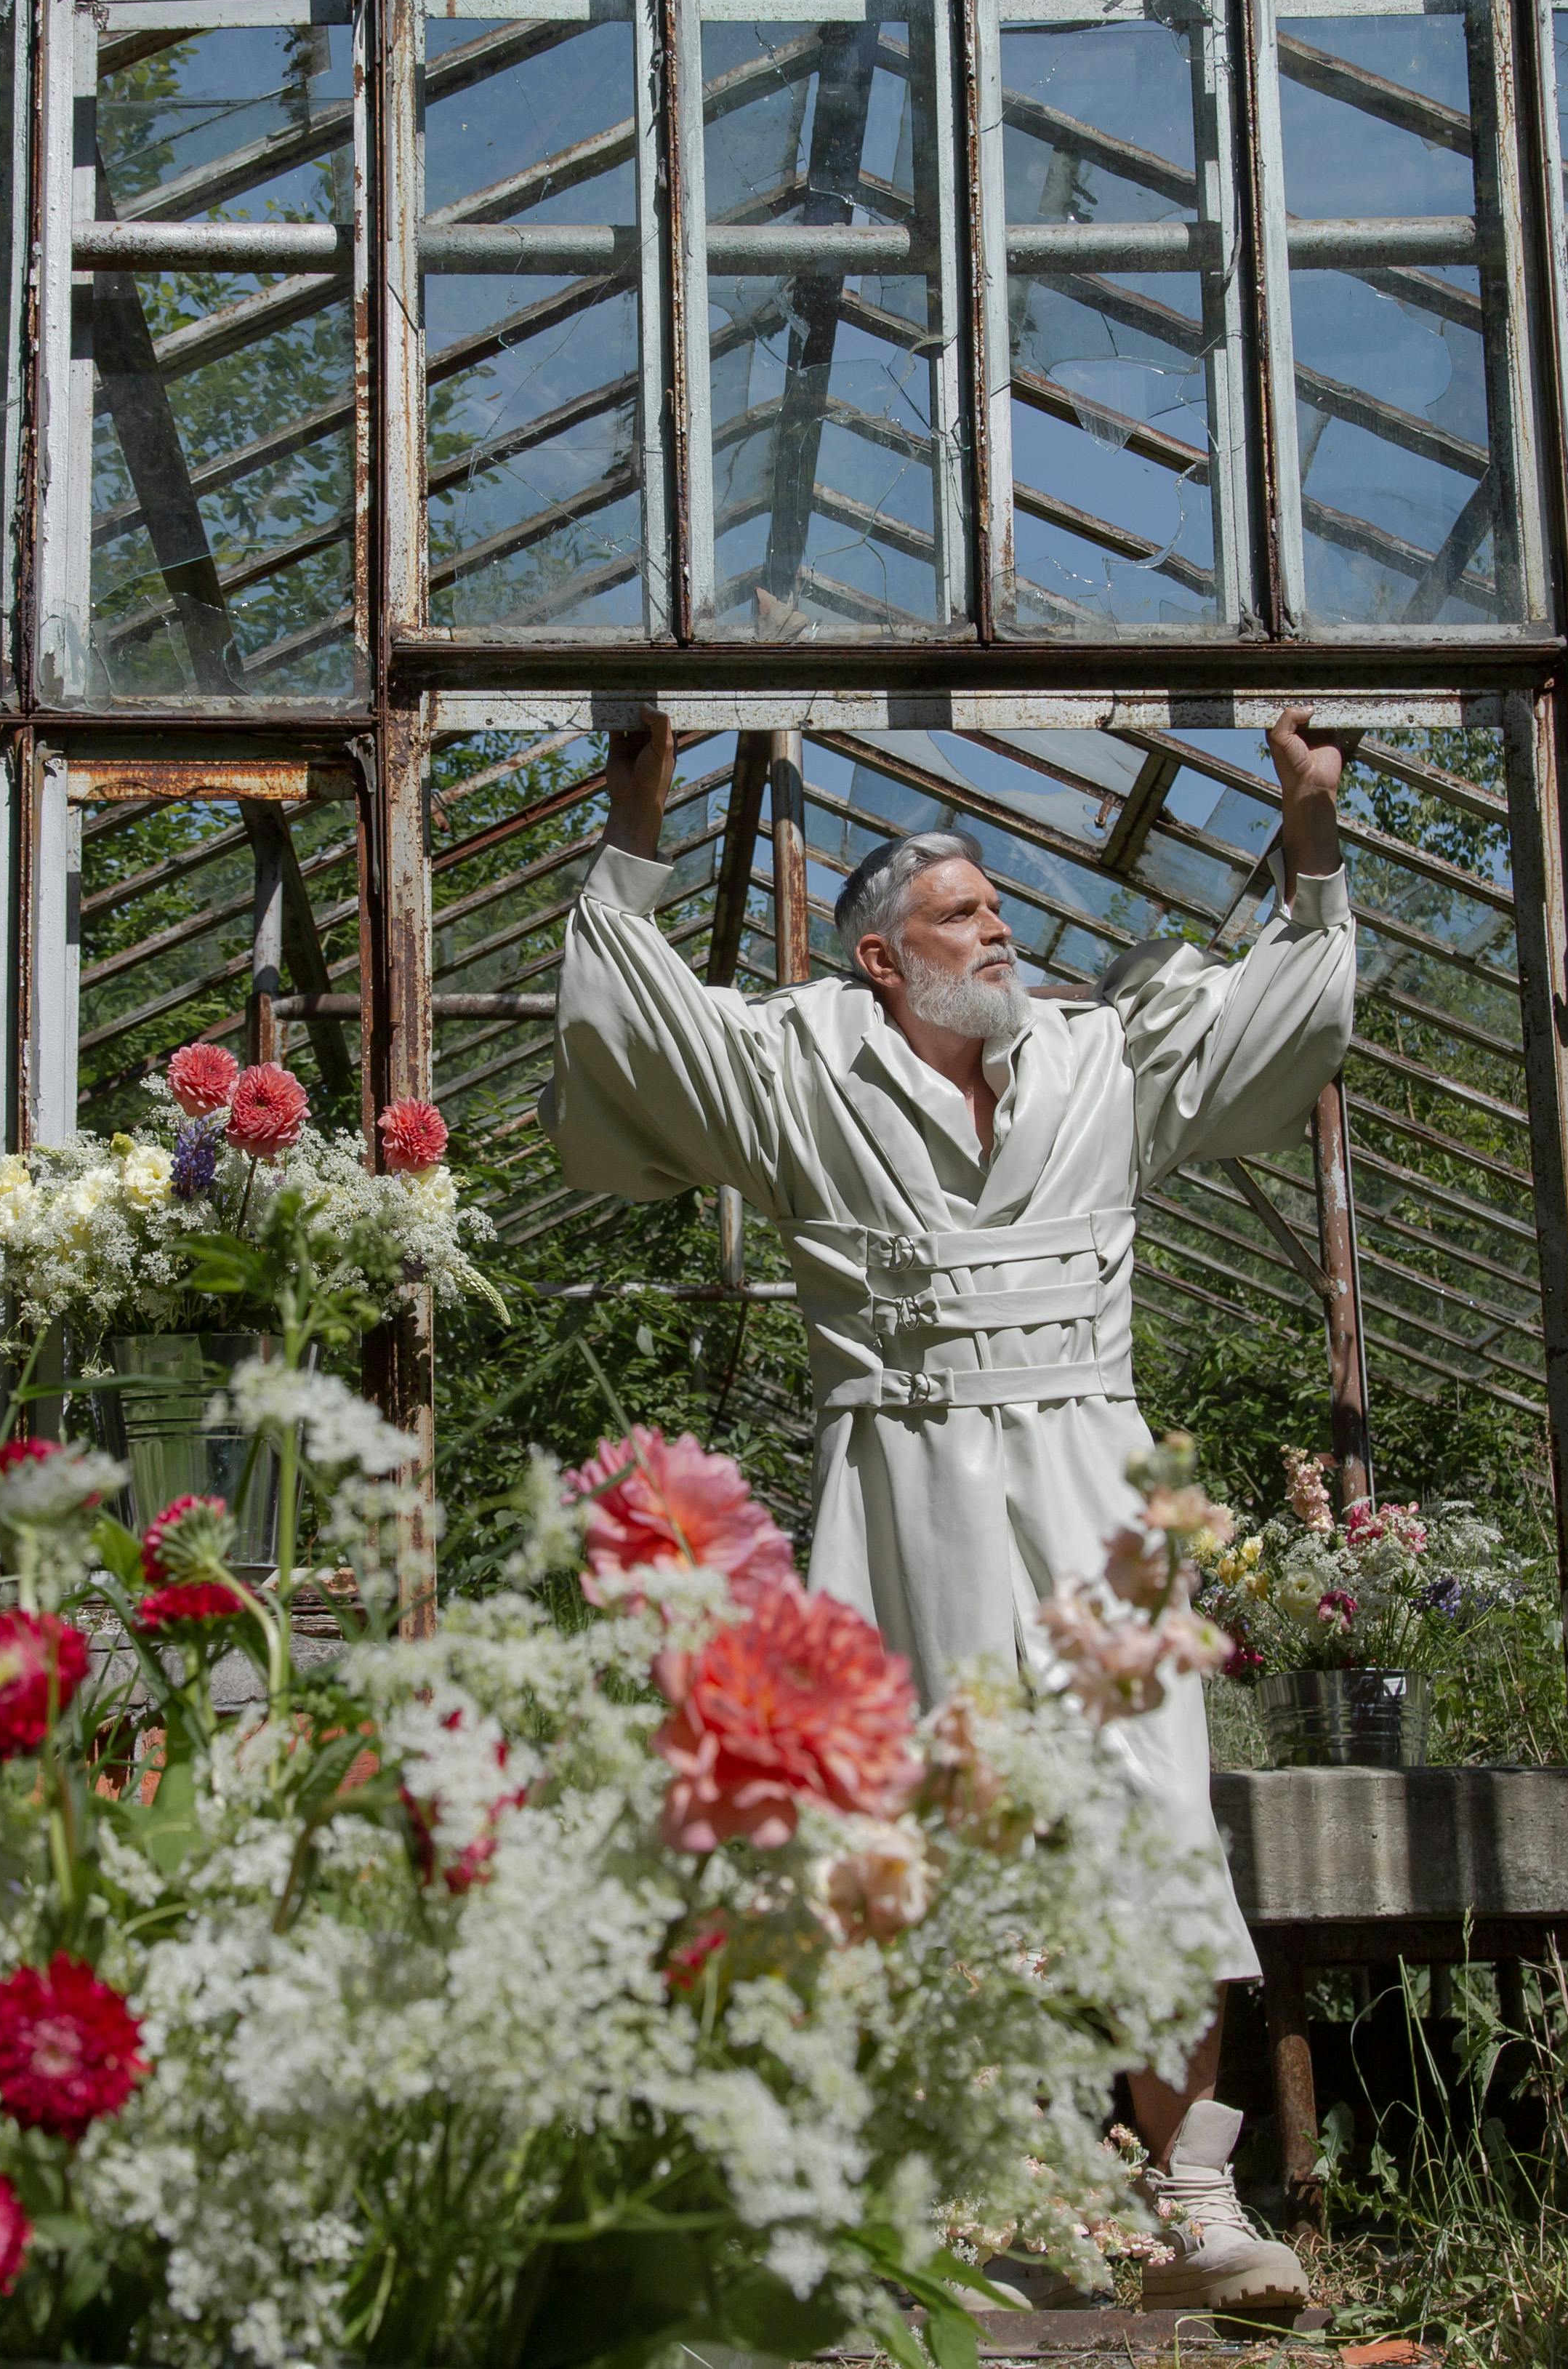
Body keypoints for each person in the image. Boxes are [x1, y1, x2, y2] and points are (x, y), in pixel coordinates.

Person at [542, 710, 1360, 2312]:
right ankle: (969, 2196)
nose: (1000, 928)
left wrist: (1314, 827)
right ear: (879, 956)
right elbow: (627, 1018)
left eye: (997, 908)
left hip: (1088, 1477)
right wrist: (638, 807)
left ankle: (1192, 2193)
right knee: (915, 1826)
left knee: (1145, 1811)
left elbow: (1289, 1002)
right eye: (963, 913)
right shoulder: (796, 1060)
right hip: (898, 1478)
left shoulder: (1102, 1053)